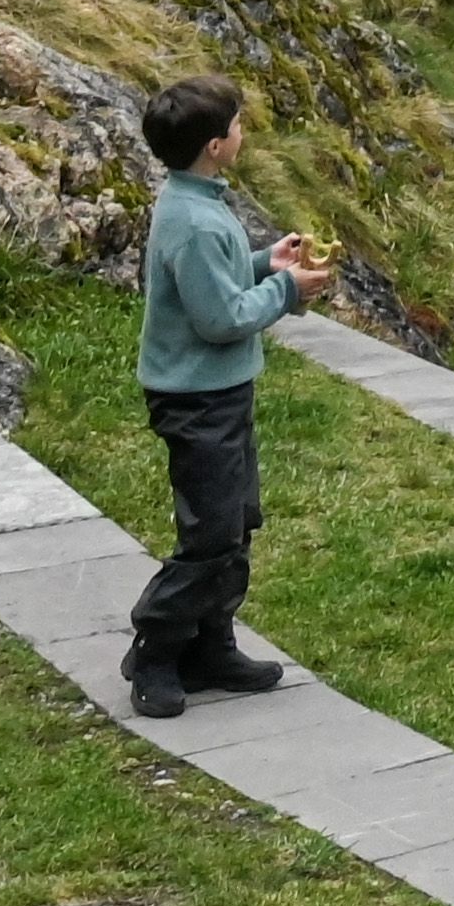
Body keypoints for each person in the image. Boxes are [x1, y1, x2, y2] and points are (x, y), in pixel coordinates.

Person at [127, 74, 324, 719]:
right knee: (209, 535)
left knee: (237, 520)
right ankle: (154, 650)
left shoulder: (195, 200)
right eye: (238, 125)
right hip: (196, 400)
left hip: (221, 392)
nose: (244, 132)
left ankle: (212, 646)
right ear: (216, 145)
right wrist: (289, 290)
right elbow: (221, 318)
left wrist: (268, 259)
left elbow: (218, 279)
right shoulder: (195, 221)